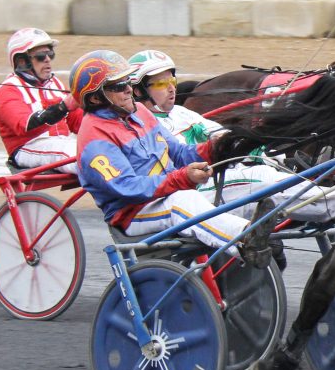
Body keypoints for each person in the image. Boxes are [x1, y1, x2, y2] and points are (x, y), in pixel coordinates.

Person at [70, 49, 273, 268]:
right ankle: (245, 240)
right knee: (183, 202)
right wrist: (182, 178)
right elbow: (128, 187)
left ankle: (249, 240)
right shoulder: (94, 140)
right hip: (133, 213)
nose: (129, 89)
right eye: (119, 86)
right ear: (95, 97)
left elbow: (178, 152)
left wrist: (218, 148)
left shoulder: (140, 112)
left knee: (216, 193)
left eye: (128, 81)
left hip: (166, 195)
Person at [127, 49, 335, 223]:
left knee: (276, 169)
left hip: (220, 180)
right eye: (160, 84)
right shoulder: (141, 124)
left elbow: (223, 137)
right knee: (261, 177)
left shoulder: (182, 112)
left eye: (172, 81)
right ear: (138, 90)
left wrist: (271, 155)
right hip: (191, 193)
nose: (171, 89)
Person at [0, 28, 82, 174]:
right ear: (22, 61)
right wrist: (63, 107)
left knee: (103, 147)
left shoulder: (56, 84)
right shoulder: (8, 90)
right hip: (28, 148)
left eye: (50, 54)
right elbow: (25, 126)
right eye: (41, 56)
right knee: (83, 155)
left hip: (60, 144)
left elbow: (78, 121)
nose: (47, 59)